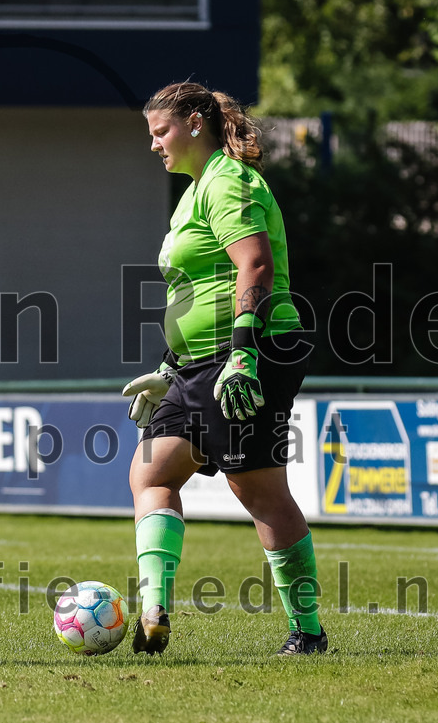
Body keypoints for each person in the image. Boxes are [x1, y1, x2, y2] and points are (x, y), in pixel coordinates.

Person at [121, 81, 326, 657]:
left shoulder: (230, 180)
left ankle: (307, 632)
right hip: (196, 363)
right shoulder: (191, 193)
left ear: (192, 122)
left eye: (159, 132)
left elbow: (255, 265)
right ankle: (153, 615)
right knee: (151, 475)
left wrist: (242, 352)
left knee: (256, 488)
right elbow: (198, 287)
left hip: (249, 352)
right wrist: (169, 366)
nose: (154, 145)